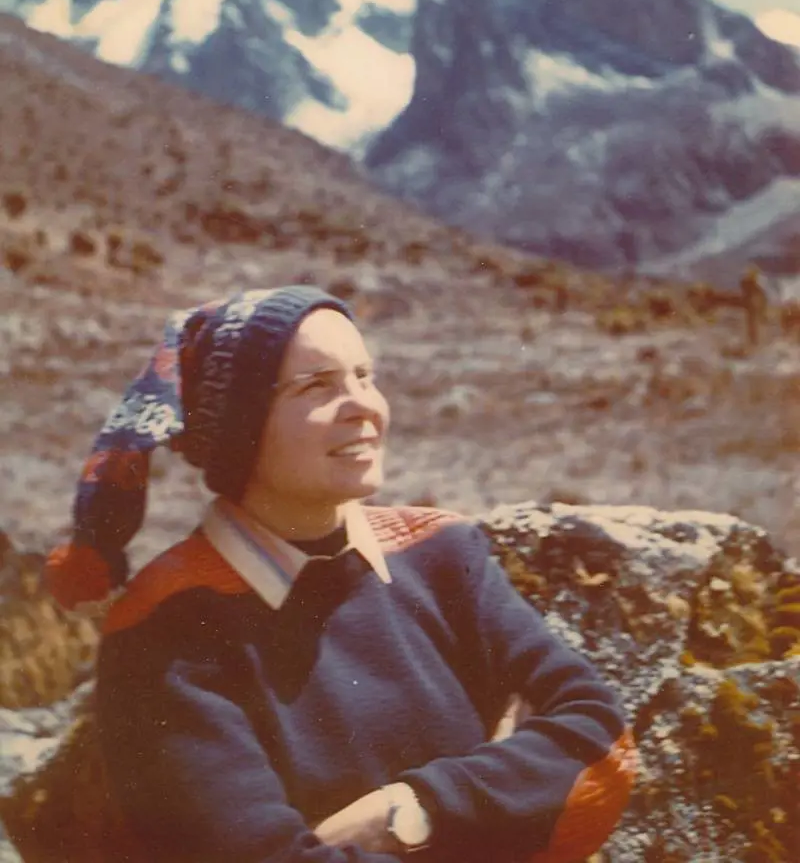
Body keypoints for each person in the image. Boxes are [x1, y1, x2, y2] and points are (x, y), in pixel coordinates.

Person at [46, 285, 637, 862]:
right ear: (240, 426)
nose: (364, 406)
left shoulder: (442, 553)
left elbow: (601, 739)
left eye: (365, 376)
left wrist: (411, 810)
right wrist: (508, 800)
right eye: (318, 386)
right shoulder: (165, 630)